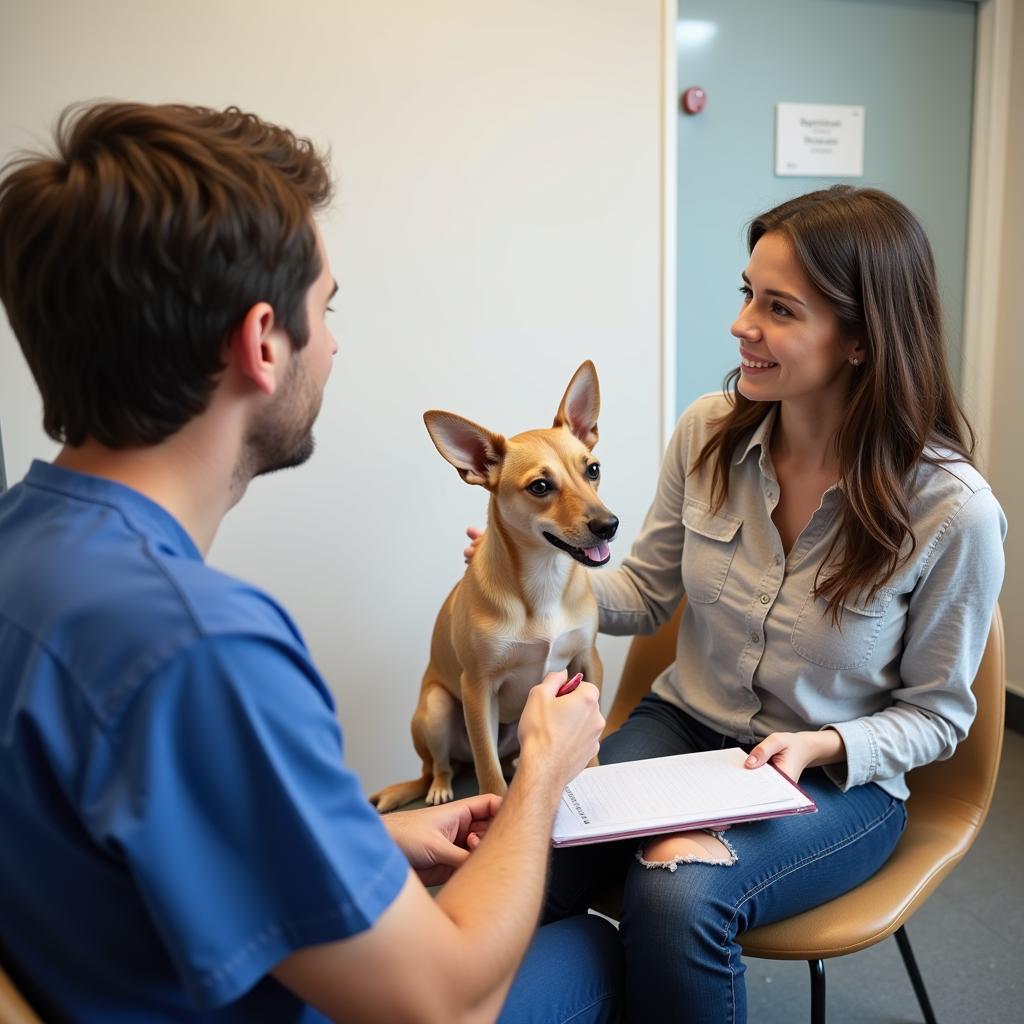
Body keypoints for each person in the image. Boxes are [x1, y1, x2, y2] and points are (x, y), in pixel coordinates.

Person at [0, 101, 623, 1023]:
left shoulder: (24, 548)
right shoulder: (203, 648)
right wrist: (540, 775)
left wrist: (367, 840)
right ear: (262, 343)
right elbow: (445, 1008)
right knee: (608, 950)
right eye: (326, 309)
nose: (331, 343)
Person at [468, 185, 1006, 1022]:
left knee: (674, 898)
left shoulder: (952, 510)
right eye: (746, 293)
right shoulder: (708, 432)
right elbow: (644, 593)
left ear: (862, 340)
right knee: (525, 847)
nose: (741, 325)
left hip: (837, 781)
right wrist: (540, 564)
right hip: (685, 727)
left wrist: (823, 742)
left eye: (778, 307)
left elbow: (940, 716)